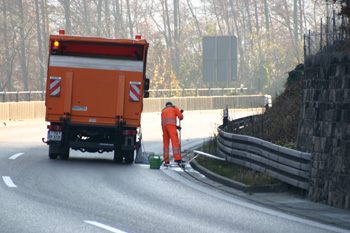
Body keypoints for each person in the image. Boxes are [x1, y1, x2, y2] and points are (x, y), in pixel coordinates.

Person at [161, 102, 184, 167]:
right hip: (171, 126)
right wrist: (180, 112)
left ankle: (166, 160)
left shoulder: (163, 110)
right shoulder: (174, 107)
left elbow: (167, 121)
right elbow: (181, 117)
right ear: (171, 104)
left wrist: (176, 127)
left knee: (166, 143)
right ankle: (177, 159)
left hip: (164, 127)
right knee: (175, 141)